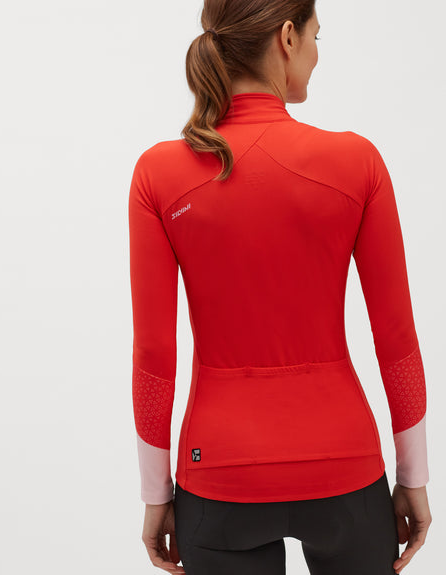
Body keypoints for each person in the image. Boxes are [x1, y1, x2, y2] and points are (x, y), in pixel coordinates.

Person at [128, 1, 432, 574]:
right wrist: (413, 476)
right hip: (346, 468)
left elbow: (154, 356)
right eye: (317, 37)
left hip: (218, 475)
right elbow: (397, 340)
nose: (317, 55)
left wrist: (156, 492)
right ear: (288, 37)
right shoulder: (357, 161)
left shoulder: (159, 173)